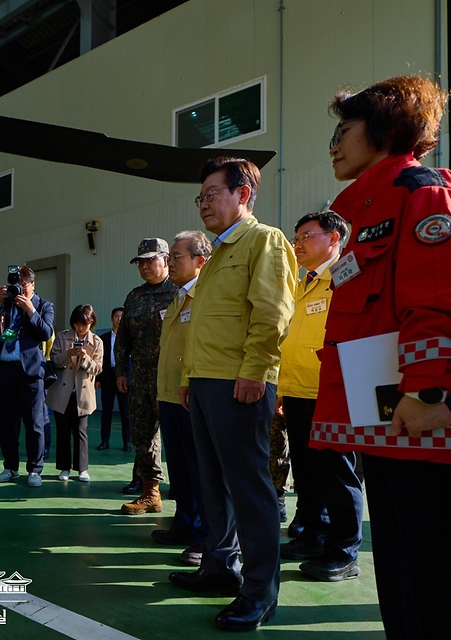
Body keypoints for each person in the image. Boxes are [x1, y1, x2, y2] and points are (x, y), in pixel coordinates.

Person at [315, 76, 451, 638]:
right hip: (384, 419)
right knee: (396, 568)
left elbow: (436, 301)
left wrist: (427, 394)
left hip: (415, 417)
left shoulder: (421, 191)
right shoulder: (364, 211)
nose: (333, 143)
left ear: (385, 129)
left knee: (429, 574)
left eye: (344, 130)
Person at [170, 157, 296, 632]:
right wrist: (189, 379)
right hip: (206, 382)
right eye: (200, 196)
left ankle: (260, 593)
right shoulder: (219, 252)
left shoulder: (264, 242)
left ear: (243, 194)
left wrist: (256, 370)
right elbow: (203, 326)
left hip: (239, 382)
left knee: (249, 488)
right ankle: (220, 567)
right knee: (214, 484)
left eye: (212, 193)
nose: (204, 203)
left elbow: (272, 313)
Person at [277, 211, 364, 583]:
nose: (297, 243)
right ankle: (313, 533)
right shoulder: (301, 283)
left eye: (306, 235)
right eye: (295, 236)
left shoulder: (347, 275)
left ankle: (344, 552)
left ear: (333, 238)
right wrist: (281, 389)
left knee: (338, 474)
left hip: (332, 391)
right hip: (297, 390)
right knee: (308, 472)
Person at [151, 230, 212, 567]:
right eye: (170, 257)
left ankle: (205, 534)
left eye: (177, 257)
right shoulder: (177, 298)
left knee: (200, 469)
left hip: (193, 395)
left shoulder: (204, 296)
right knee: (179, 467)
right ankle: (185, 523)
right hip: (171, 395)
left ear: (199, 261)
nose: (170, 262)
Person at [115, 238, 177, 514]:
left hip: (172, 378)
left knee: (178, 436)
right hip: (139, 378)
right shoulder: (134, 296)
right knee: (142, 436)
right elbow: (123, 340)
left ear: (166, 259)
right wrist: (120, 371)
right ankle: (149, 492)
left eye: (150, 260)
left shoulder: (180, 292)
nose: (145, 267)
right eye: (140, 262)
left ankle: (186, 495)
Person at [0, 266, 54, 487]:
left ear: (33, 284)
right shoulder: (6, 303)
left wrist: (31, 310)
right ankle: (10, 467)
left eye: (24, 285)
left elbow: (46, 332)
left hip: (31, 373)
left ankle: (34, 470)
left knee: (35, 423)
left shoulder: (44, 305)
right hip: (4, 371)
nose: (20, 289)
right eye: (16, 284)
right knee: (6, 424)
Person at [46, 305, 103, 482]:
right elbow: (53, 360)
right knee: (62, 431)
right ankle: (64, 468)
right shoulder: (62, 337)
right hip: (62, 391)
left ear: (91, 322)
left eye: (83, 324)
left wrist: (85, 358)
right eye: (76, 323)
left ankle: (82, 469)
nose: (79, 328)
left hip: (83, 393)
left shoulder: (97, 342)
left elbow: (98, 369)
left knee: (81, 431)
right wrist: (67, 354)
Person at [95, 308, 131, 451]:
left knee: (125, 412)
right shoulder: (103, 338)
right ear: (111, 319)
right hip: (108, 376)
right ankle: (104, 441)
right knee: (107, 411)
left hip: (124, 377)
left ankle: (127, 442)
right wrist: (98, 378)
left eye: (121, 316)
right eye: (116, 316)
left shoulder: (129, 338)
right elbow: (99, 359)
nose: (119, 319)